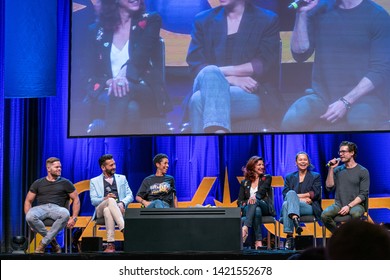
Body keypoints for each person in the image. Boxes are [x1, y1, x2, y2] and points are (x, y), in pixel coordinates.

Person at [281, 0, 390, 132]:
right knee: (292, 121)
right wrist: (302, 14)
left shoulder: (378, 16)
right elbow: (300, 53)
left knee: (360, 121)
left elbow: (379, 70)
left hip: (363, 97)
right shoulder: (318, 10)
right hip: (323, 94)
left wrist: (345, 101)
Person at [186, 0, 281, 133]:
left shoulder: (266, 19)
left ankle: (205, 149)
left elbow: (263, 64)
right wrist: (230, 79)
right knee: (209, 74)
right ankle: (221, 136)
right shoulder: (203, 20)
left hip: (250, 92)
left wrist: (217, 73)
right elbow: (196, 65)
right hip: (208, 85)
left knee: (197, 100)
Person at [83, 0, 171, 135]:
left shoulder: (150, 21)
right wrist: (109, 82)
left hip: (143, 88)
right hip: (108, 91)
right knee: (131, 108)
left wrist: (120, 78)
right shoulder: (96, 31)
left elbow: (140, 58)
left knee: (121, 88)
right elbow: (90, 72)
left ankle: (109, 150)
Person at [24, 157, 80, 253]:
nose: (59, 169)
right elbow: (28, 201)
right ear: (48, 169)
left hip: (57, 209)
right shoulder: (38, 183)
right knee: (29, 216)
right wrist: (30, 222)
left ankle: (43, 243)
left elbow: (76, 199)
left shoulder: (65, 183)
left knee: (65, 214)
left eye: (60, 167)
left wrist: (74, 218)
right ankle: (53, 242)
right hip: (41, 208)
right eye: (56, 167)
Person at [321, 141, 369, 233]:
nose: (341, 154)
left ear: (352, 153)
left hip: (356, 205)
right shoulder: (338, 170)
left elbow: (363, 194)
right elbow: (329, 186)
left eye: (344, 151)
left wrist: (348, 206)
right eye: (340, 152)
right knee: (324, 215)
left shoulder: (363, 171)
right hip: (339, 204)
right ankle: (339, 235)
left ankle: (353, 239)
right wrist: (331, 169)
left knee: (355, 213)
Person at [90, 154, 134, 252]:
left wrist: (122, 202)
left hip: (117, 208)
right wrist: (104, 198)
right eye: (111, 165)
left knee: (107, 210)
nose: (114, 167)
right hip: (99, 209)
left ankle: (110, 245)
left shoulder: (121, 178)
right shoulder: (94, 181)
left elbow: (130, 195)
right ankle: (124, 229)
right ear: (103, 167)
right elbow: (93, 201)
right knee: (109, 201)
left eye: (114, 164)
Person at [281, 151, 322, 250]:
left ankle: (289, 236)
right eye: (300, 160)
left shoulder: (315, 176)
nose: (303, 162)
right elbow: (285, 194)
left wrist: (296, 197)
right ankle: (295, 219)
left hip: (309, 207)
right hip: (294, 205)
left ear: (308, 162)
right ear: (296, 162)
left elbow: (315, 193)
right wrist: (302, 197)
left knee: (288, 201)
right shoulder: (289, 177)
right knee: (288, 199)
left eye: (305, 159)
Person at [238, 156, 275, 249]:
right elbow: (240, 200)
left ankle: (245, 227)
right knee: (256, 210)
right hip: (249, 208)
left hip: (264, 206)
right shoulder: (244, 182)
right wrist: (246, 204)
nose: (262, 167)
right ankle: (258, 242)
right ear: (252, 166)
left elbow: (262, 192)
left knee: (255, 202)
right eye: (259, 165)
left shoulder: (266, 178)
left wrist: (254, 197)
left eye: (262, 164)